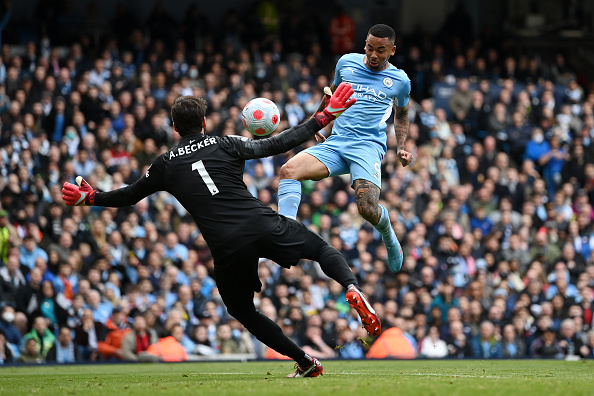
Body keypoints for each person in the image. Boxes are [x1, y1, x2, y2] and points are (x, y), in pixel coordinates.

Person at [62, 86, 380, 378]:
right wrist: (321, 118)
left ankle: (305, 362)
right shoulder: (224, 143)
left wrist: (92, 197)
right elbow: (277, 144)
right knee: (322, 250)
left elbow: (129, 194)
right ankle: (351, 287)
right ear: (204, 121)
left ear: (174, 128)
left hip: (226, 246)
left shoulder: (164, 165)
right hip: (260, 223)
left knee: (241, 309)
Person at [277, 24, 413, 273]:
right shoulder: (346, 63)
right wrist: (318, 119)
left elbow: (401, 115)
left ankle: (388, 233)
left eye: (380, 51)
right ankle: (285, 232)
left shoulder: (400, 81)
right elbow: (332, 93)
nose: (373, 55)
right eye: (370, 48)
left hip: (367, 147)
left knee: (367, 209)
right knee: (288, 170)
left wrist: (401, 147)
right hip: (337, 142)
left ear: (392, 50)